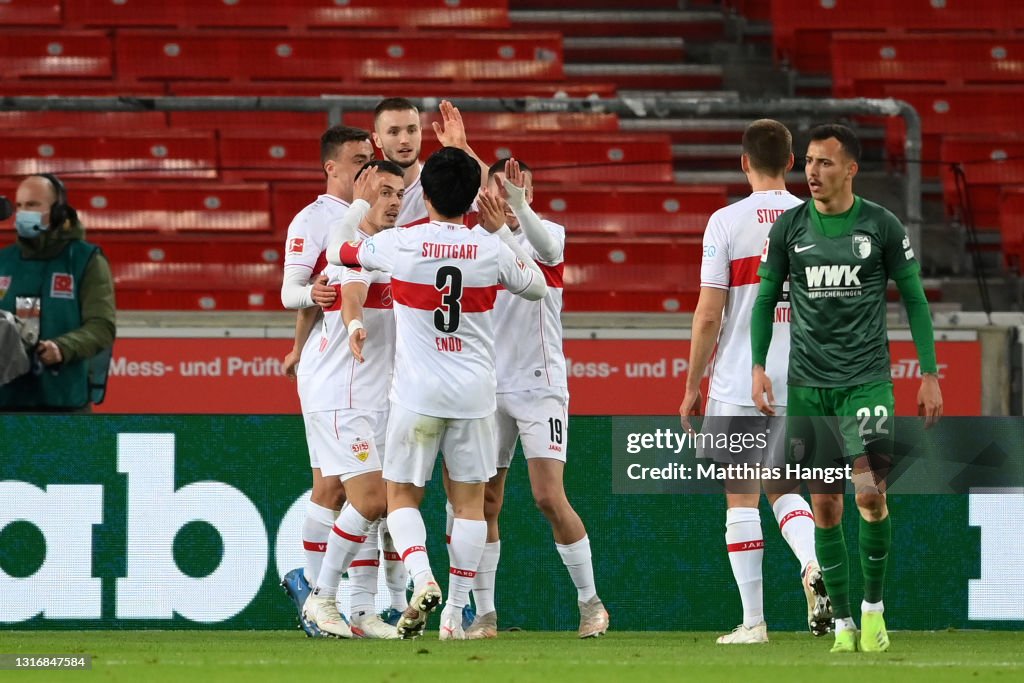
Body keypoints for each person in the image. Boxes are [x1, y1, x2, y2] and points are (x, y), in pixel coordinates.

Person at [329, 146, 548, 640]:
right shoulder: (489, 247)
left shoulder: (402, 243)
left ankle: (420, 577)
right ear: (474, 197)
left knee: (402, 495)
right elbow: (536, 286)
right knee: (470, 504)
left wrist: (360, 204)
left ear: (422, 192)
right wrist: (499, 233)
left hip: (416, 395)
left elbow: (340, 248)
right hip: (474, 397)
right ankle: (454, 612)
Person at [751, 123, 943, 653]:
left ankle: (874, 610)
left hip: (867, 385)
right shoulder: (789, 228)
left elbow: (916, 300)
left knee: (870, 496)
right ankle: (842, 626)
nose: (812, 171)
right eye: (808, 162)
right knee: (827, 508)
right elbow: (767, 299)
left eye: (825, 163)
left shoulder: (881, 226)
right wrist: (758, 365)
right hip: (810, 387)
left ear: (851, 169)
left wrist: (929, 372)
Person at [678, 120, 830, 644]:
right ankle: (813, 565)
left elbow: (707, 314)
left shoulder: (725, 222)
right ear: (792, 162)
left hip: (741, 375)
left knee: (741, 496)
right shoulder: (816, 218)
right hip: (805, 375)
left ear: (745, 163)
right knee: (786, 485)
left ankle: (753, 622)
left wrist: (692, 384)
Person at [460, 158, 609, 640]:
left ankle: (590, 603)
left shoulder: (549, 236)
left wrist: (513, 217)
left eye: (512, 187)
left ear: (528, 189)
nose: (502, 195)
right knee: (485, 501)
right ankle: (484, 613)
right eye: (495, 187)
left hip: (539, 385)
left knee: (548, 496)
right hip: (488, 386)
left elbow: (536, 264)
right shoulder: (477, 243)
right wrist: (462, 150)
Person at [299, 160, 406, 640]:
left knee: (377, 507)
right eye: (383, 191)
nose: (394, 201)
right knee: (370, 498)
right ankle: (320, 599)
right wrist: (356, 324)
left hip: (377, 398)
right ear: (363, 195)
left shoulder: (397, 250)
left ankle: (363, 612)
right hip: (341, 396)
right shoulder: (350, 253)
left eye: (399, 193)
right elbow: (351, 297)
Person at [278, 125, 373, 636]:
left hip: (362, 369)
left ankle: (324, 595)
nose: (367, 166)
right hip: (331, 370)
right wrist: (308, 301)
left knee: (330, 486)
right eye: (357, 159)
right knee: (348, 487)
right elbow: (292, 290)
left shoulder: (379, 211)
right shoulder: (313, 220)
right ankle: (319, 593)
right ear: (331, 167)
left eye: (369, 158)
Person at [0, 173, 115, 412]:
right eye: (19, 206)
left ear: (58, 211)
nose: (23, 212)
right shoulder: (4, 260)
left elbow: (102, 326)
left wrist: (63, 347)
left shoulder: (86, 259)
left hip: (64, 402)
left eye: (32, 205)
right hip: (7, 402)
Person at [372, 97, 489, 226]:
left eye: (412, 130)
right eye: (394, 132)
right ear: (377, 139)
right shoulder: (365, 192)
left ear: (420, 133)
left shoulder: (443, 180)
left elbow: (501, 195)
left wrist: (463, 147)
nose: (404, 139)